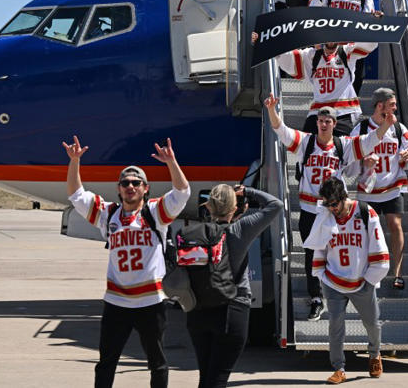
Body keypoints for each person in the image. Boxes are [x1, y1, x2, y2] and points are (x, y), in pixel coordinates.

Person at [62, 136, 190, 388]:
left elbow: (182, 192)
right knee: (107, 362)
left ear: (145, 188)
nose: (130, 186)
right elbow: (76, 194)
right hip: (116, 301)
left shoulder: (155, 213)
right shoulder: (108, 214)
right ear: (118, 188)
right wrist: (74, 162)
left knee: (157, 362)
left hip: (150, 302)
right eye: (125, 183)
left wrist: (171, 162)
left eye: (136, 183)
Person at [264, 93, 395, 320]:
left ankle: (338, 292)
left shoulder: (342, 146)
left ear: (334, 124)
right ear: (316, 123)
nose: (323, 125)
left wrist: (385, 125)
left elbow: (369, 141)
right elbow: (281, 130)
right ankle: (316, 298)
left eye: (328, 121)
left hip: (333, 210)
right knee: (310, 253)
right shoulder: (306, 142)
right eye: (320, 121)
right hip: (309, 210)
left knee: (336, 251)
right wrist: (271, 110)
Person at [185, 184, 282, 388]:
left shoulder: (194, 233)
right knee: (217, 378)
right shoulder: (240, 230)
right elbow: (275, 205)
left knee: (207, 377)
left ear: (209, 207)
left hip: (198, 311)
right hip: (232, 309)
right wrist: (247, 191)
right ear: (235, 208)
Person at [303, 176, 389, 384]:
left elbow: (378, 246)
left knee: (372, 323)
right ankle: (338, 367)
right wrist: (321, 273)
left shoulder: (365, 212)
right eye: (327, 204)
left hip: (362, 279)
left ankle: (374, 354)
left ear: (344, 197)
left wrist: (371, 279)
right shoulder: (325, 215)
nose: (331, 208)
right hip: (333, 280)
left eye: (334, 204)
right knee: (335, 325)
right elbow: (319, 245)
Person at [349, 88, 408, 290]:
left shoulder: (398, 128)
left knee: (395, 224)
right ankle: (367, 271)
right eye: (392, 105)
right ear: (380, 106)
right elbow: (349, 154)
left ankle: (397, 272)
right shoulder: (362, 128)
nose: (395, 108)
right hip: (368, 188)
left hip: (393, 185)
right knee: (367, 229)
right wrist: (364, 161)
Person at [309, 0, 382, 95]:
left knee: (357, 76)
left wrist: (375, 18)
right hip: (331, 43)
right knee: (330, 75)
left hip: (353, 43)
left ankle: (351, 106)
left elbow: (367, 16)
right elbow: (313, 10)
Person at [275, 40, 378, 136]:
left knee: (344, 150)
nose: (331, 40)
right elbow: (286, 57)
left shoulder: (346, 51)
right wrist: (265, 42)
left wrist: (374, 22)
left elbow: (370, 45)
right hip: (318, 112)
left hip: (343, 112)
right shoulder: (312, 55)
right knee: (307, 147)